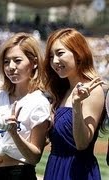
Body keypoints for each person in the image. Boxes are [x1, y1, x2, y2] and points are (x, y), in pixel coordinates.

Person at [0, 32, 51, 180]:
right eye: (6, 62)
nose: (11, 67)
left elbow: (34, 157)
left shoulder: (39, 102)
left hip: (19, 174)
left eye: (17, 60)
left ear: (34, 62)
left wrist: (14, 133)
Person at [42, 28, 106, 180]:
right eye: (51, 56)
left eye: (60, 53)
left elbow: (82, 144)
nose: (54, 61)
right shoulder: (62, 91)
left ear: (78, 53)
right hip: (54, 167)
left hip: (77, 172)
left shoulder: (93, 90)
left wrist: (77, 105)